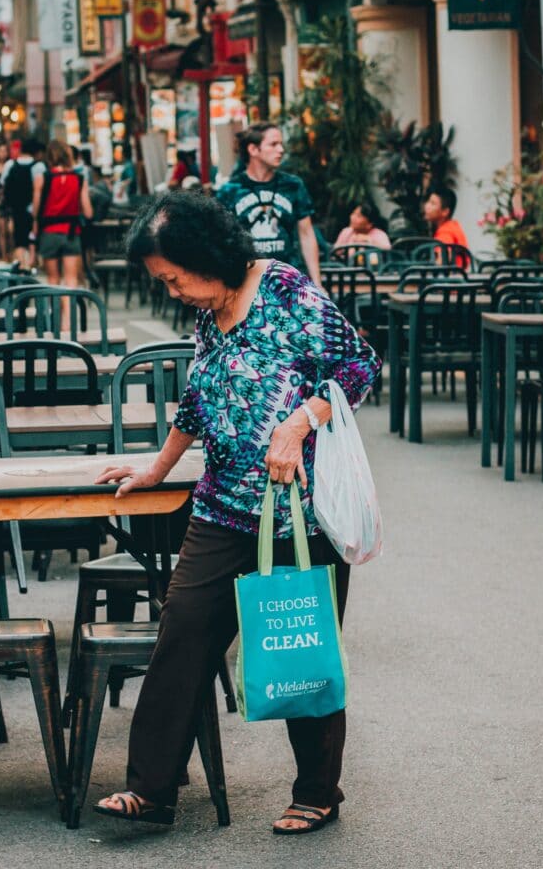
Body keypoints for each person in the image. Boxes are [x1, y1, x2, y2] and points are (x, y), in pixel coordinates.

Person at [93, 191, 380, 835]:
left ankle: (317, 792)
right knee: (183, 635)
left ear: (209, 256)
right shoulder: (210, 311)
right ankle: (152, 790)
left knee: (301, 645)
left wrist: (302, 422)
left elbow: (361, 365)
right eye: (162, 282)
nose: (173, 292)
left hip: (299, 517)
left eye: (175, 277)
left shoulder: (286, 291)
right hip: (222, 506)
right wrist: (156, 468)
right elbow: (198, 402)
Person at [216, 123, 322, 287]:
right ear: (253, 150)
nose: (281, 150)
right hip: (246, 281)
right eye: (273, 144)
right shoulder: (230, 191)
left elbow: (306, 234)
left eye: (281, 144)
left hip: (288, 279)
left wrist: (317, 283)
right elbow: (220, 240)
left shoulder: (293, 185)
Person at [31, 139, 93, 288]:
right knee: (71, 279)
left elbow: (35, 211)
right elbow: (89, 213)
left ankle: (58, 311)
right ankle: (69, 312)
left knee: (53, 280)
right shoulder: (79, 179)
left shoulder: (42, 179)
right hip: (72, 233)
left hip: (49, 233)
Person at [0, 138, 45, 268]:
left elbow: (3, 187)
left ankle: (22, 268)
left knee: (19, 242)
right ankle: (32, 265)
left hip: (15, 210)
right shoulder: (39, 166)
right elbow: (40, 189)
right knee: (33, 239)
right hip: (34, 209)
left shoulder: (10, 164)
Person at [423, 186, 468, 253]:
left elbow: (443, 261)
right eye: (428, 201)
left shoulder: (445, 233)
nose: (427, 206)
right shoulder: (453, 226)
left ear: (445, 212)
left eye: (433, 203)